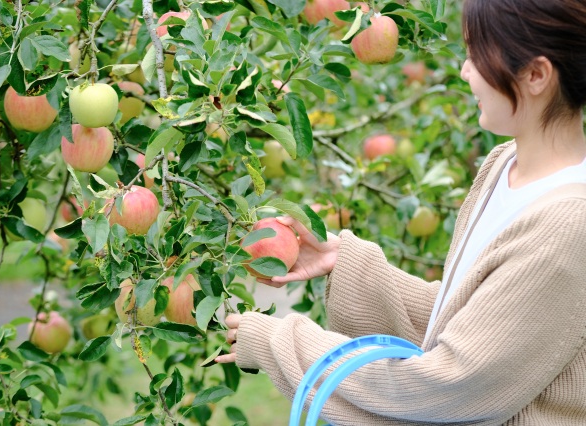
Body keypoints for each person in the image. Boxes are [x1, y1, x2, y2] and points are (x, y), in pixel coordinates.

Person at [216, 0, 586, 424]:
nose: (465, 72)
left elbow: (450, 387)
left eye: (476, 56)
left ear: (536, 75)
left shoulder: (567, 227)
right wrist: (348, 265)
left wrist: (279, 342)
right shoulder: (504, 166)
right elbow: (468, 319)